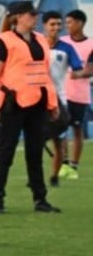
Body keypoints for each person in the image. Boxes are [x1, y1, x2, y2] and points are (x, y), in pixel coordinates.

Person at [0, 0, 62, 214]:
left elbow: (45, 73)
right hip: (13, 103)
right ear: (18, 17)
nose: (35, 17)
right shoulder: (4, 40)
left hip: (38, 102)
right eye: (31, 14)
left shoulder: (40, 39)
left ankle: (40, 199)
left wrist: (52, 102)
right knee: (6, 152)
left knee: (35, 152)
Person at [42, 11, 81, 188]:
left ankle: (54, 176)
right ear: (44, 25)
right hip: (37, 99)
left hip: (59, 99)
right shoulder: (37, 45)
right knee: (36, 141)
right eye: (52, 24)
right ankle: (35, 177)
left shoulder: (67, 48)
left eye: (59, 24)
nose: (56, 27)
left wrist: (84, 72)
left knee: (58, 140)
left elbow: (77, 68)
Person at [58, 9, 93, 180]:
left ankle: (74, 166)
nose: (67, 26)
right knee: (60, 130)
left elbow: (90, 70)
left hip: (80, 95)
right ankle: (63, 163)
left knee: (77, 130)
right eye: (66, 22)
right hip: (61, 94)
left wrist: (79, 74)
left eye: (70, 22)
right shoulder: (62, 42)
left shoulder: (91, 45)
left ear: (80, 23)